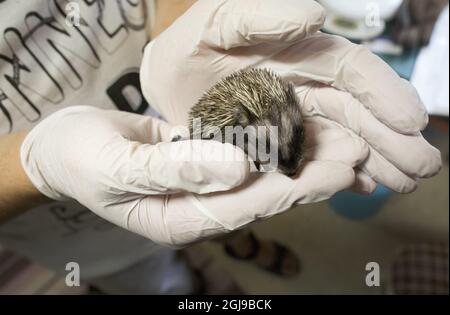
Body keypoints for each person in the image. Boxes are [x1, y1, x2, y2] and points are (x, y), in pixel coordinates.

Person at [0, 0, 441, 293]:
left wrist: (176, 32)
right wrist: (39, 164)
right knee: (159, 283)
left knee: (229, 205)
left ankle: (240, 246)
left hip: (176, 116)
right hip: (69, 236)